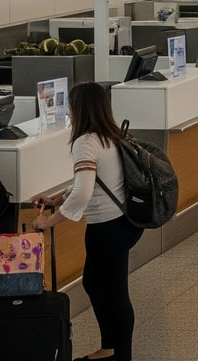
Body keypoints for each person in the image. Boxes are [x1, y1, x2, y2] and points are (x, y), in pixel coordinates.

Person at [30, 82, 144, 361]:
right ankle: (110, 348)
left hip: (107, 228)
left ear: (80, 109)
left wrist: (50, 222)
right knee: (94, 283)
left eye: (70, 105)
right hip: (125, 223)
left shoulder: (86, 141)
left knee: (115, 293)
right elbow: (96, 181)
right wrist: (57, 199)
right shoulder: (112, 135)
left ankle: (120, 354)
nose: (68, 110)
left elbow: (84, 191)